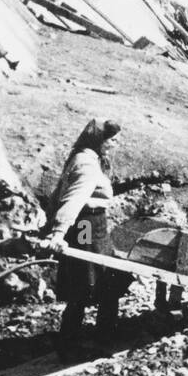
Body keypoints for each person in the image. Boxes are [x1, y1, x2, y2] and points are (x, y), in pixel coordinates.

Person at [40, 119, 131, 341]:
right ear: (99, 140)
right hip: (89, 225)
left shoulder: (82, 156)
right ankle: (102, 337)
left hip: (87, 226)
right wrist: (59, 232)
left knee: (83, 278)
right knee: (106, 278)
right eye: (112, 141)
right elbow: (74, 198)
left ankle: (71, 338)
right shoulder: (88, 165)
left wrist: (50, 226)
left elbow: (58, 194)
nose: (114, 145)